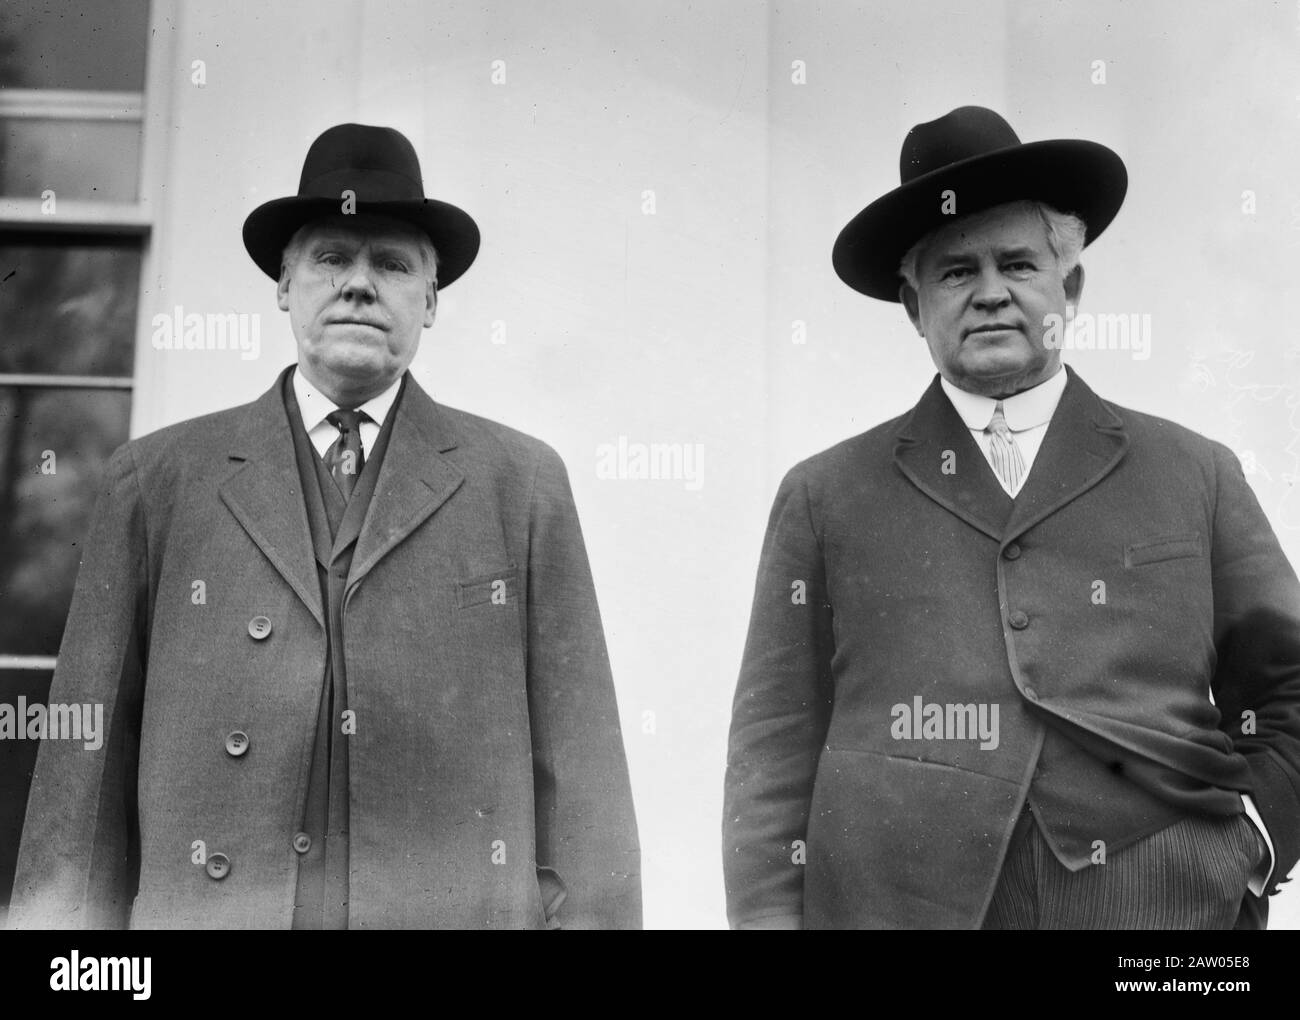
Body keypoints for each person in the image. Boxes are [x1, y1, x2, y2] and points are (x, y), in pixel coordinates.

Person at [9, 123, 641, 930]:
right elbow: (82, 783)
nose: (359, 285)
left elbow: (586, 788)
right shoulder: (159, 480)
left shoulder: (519, 484)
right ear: (284, 284)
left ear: (431, 300)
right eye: (332, 258)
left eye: (392, 263)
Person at [723, 106, 1300, 929]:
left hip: (1161, 916)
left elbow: (1290, 688)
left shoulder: (1195, 471)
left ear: (1069, 287)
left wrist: (1254, 841)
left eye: (1018, 264)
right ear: (914, 305)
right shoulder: (824, 495)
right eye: (956, 271)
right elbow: (774, 749)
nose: (990, 292)